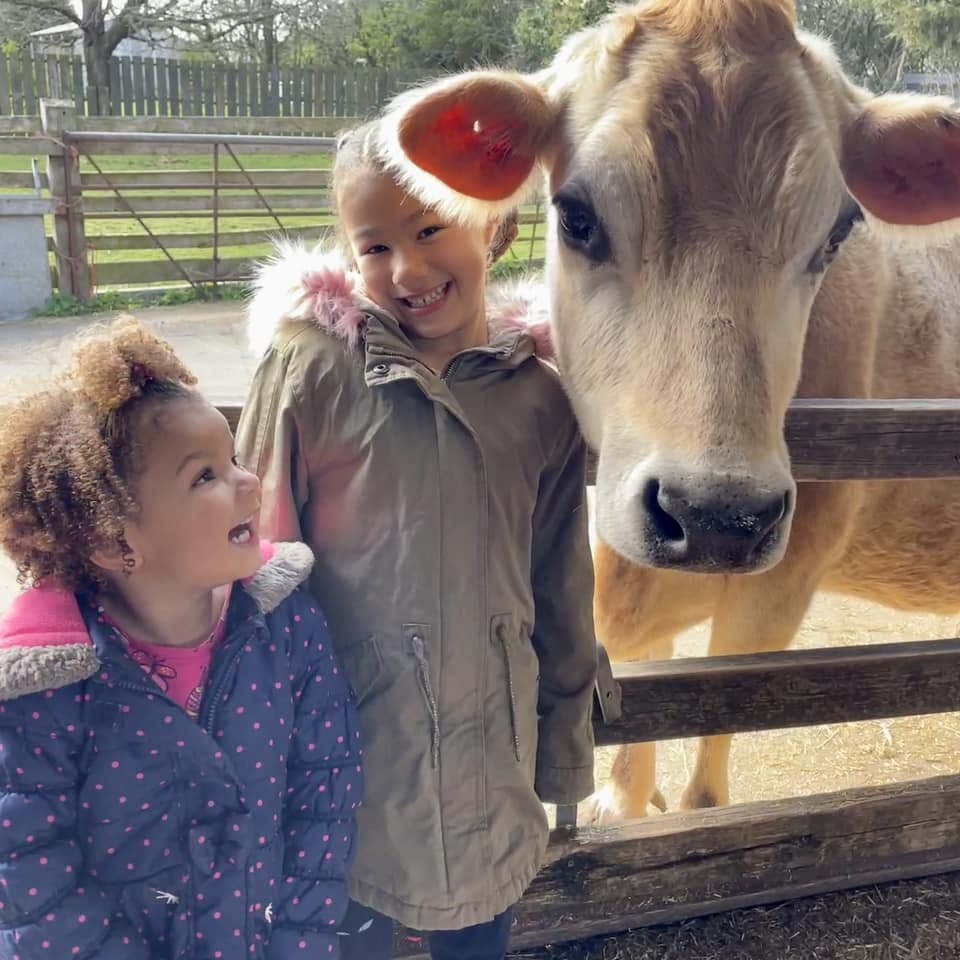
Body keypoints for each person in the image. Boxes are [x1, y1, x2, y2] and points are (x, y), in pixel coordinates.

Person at [236, 118, 598, 960]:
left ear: (494, 225)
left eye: (430, 228)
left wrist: (565, 747)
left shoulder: (540, 399)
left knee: (479, 941)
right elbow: (253, 570)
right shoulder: (312, 369)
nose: (407, 269)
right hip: (347, 777)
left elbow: (560, 582)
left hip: (491, 777)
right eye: (373, 247)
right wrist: (261, 763)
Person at [0, 317, 361, 960]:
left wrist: (299, 944)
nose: (249, 484)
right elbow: (30, 872)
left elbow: (324, 793)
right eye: (205, 477)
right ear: (115, 543)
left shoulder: (285, 625)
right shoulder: (46, 689)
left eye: (234, 460)